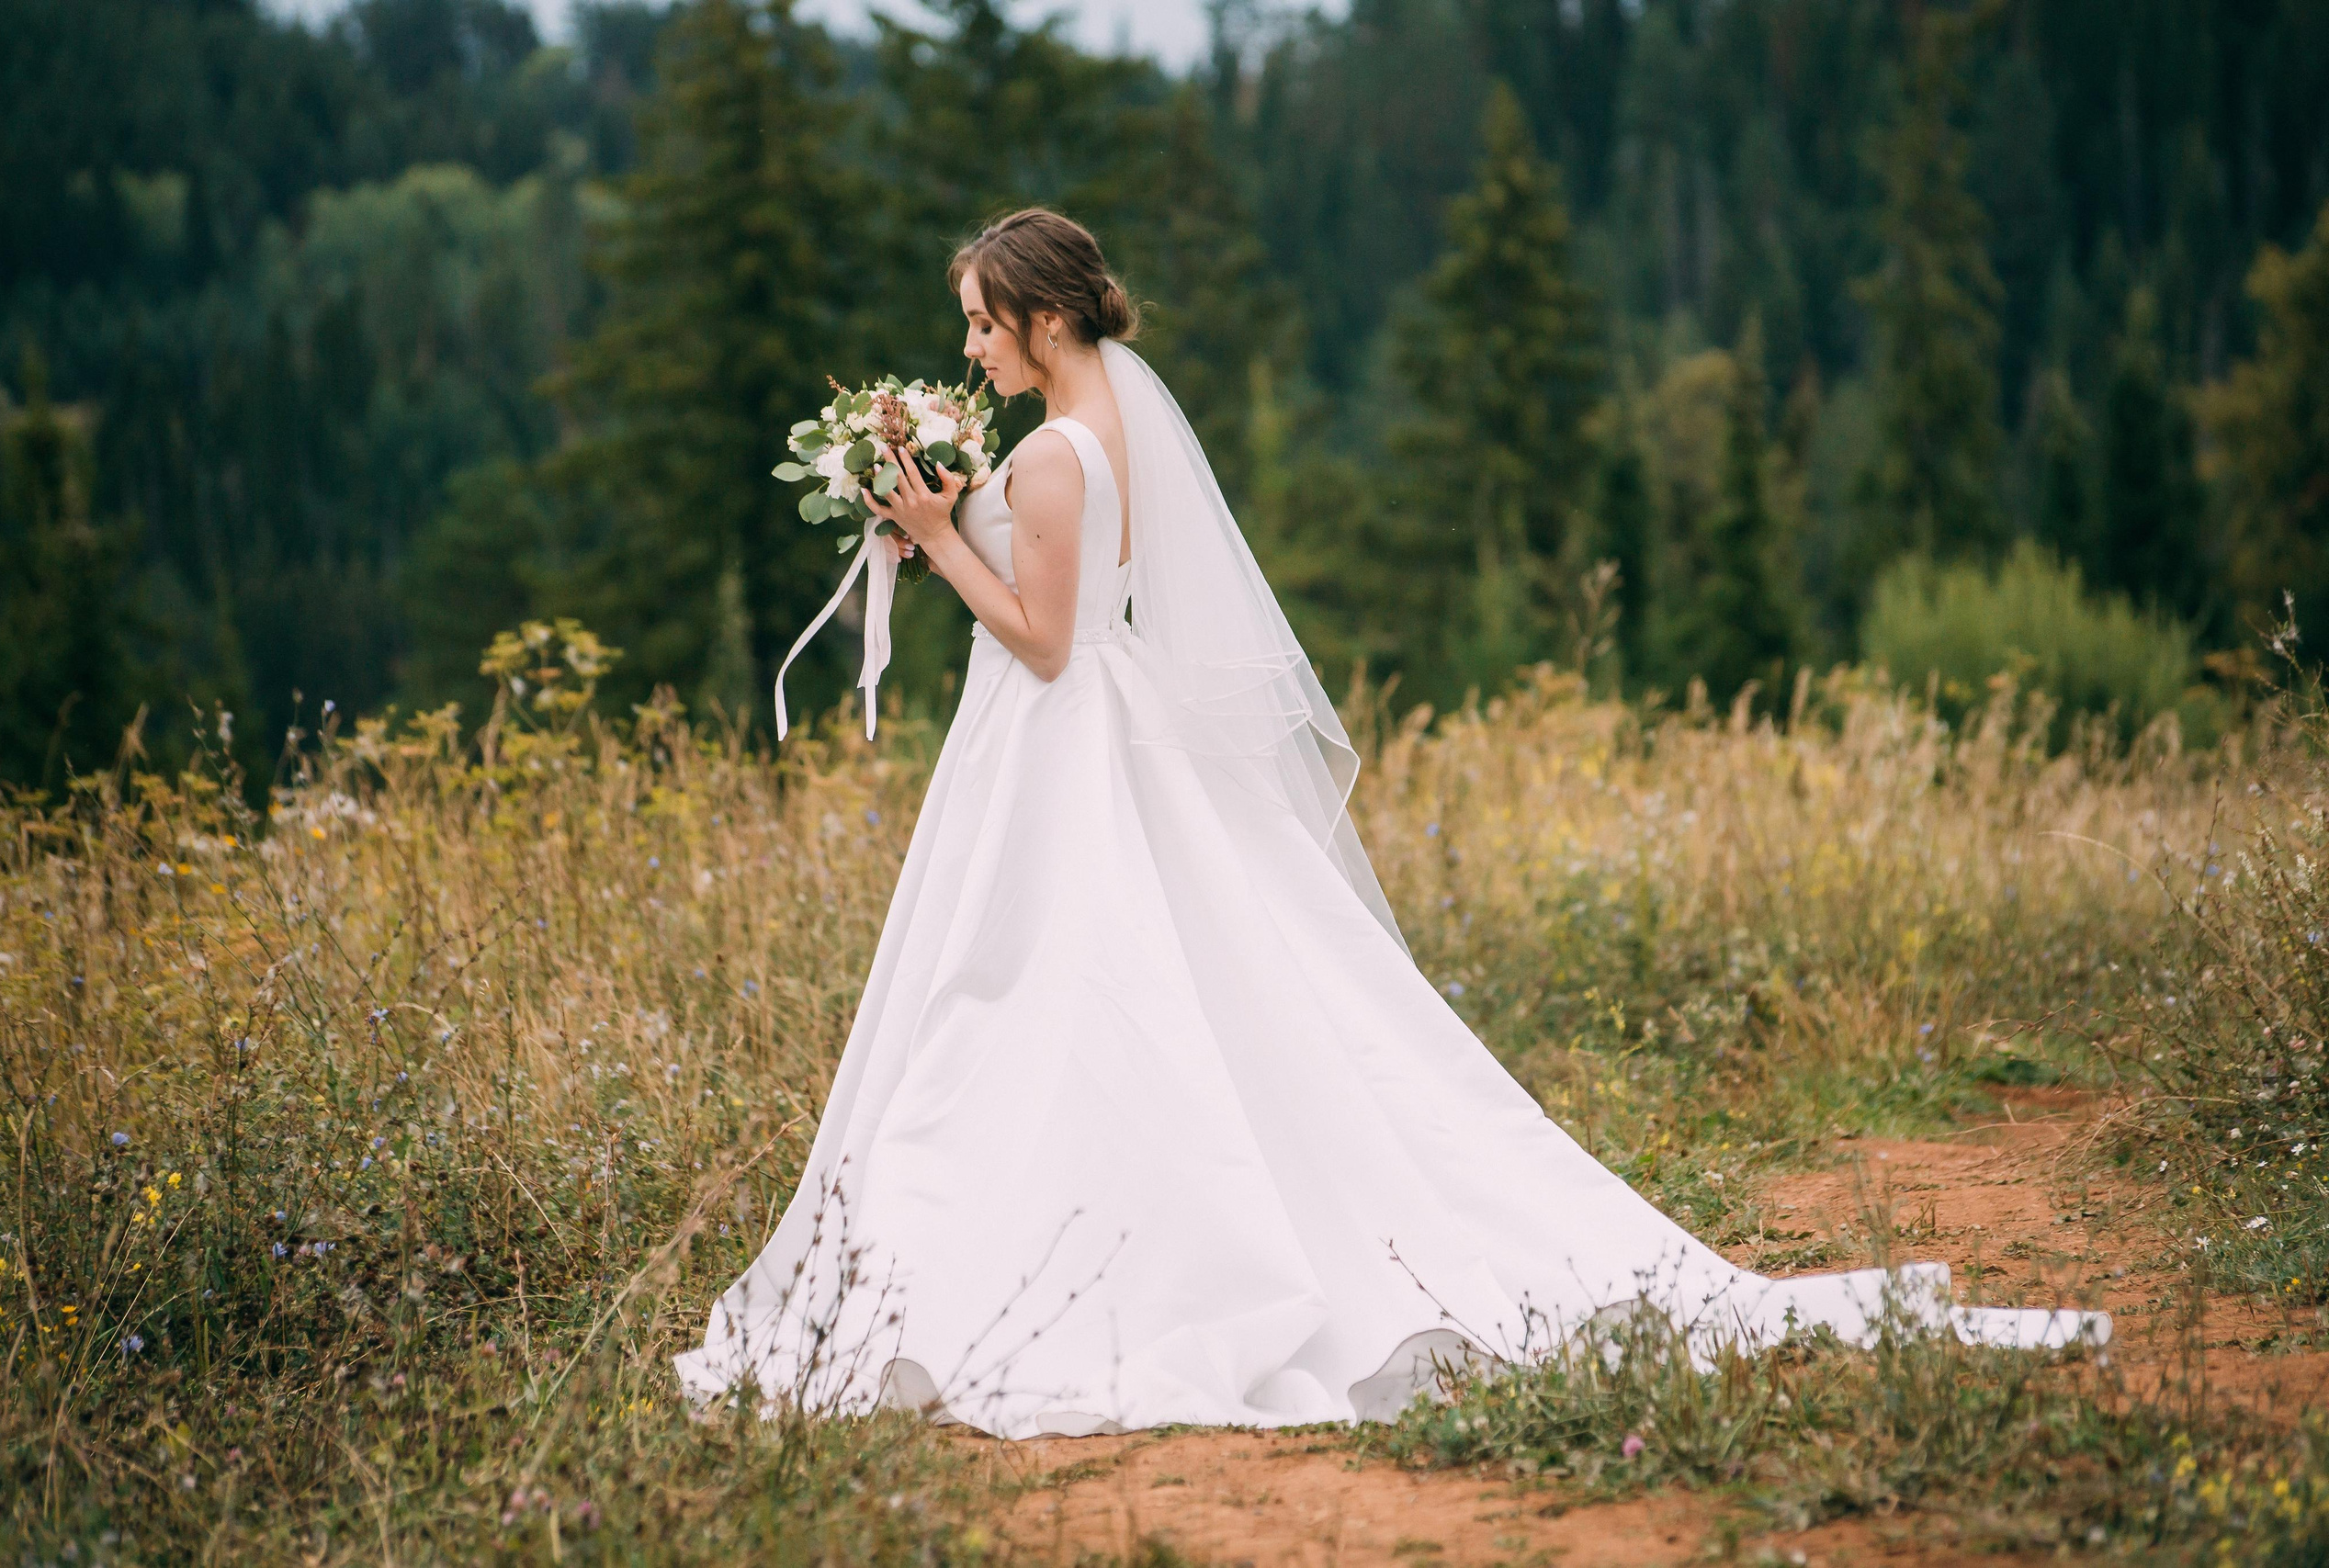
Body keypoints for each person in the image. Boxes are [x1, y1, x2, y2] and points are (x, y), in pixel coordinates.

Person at [674, 209, 2107, 1439]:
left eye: (984, 325)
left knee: (1032, 992)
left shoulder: (1053, 453)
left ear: (1043, 318)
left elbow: (1046, 639)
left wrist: (933, 541)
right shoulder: (1102, 415)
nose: (971, 349)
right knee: (1108, 994)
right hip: (1111, 736)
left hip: (1064, 739)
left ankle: (1044, 1257)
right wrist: (947, 503)